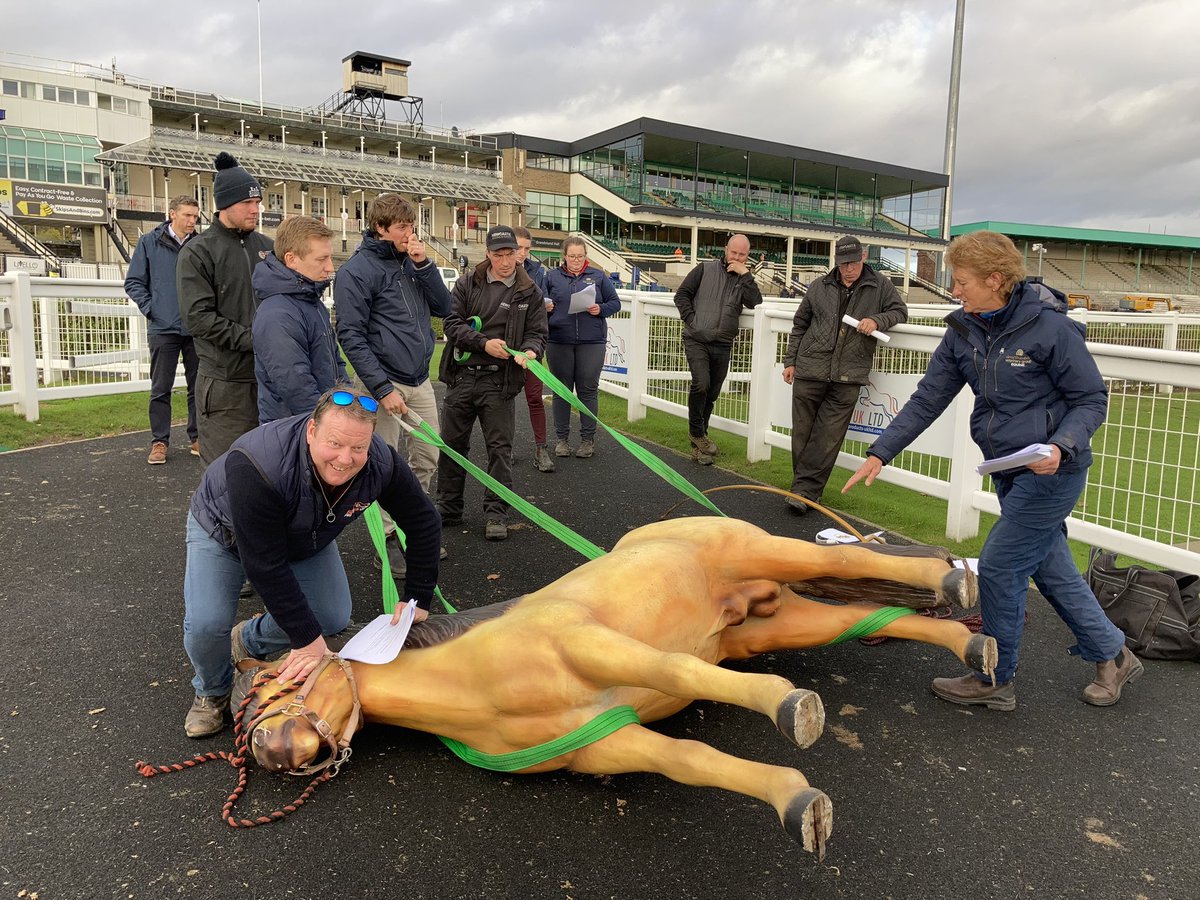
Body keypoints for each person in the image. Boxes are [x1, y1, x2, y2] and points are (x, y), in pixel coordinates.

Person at [843, 230, 1138, 711]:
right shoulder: (964, 328)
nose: (954, 291)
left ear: (995, 280)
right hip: (1007, 470)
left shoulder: (1051, 328)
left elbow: (1090, 399)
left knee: (1000, 567)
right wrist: (881, 451)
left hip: (1053, 473)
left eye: (961, 282)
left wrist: (1062, 446)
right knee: (1052, 569)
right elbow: (928, 398)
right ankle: (1113, 654)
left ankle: (993, 679)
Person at [181, 387, 441, 737]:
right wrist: (305, 639)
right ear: (311, 431)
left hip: (306, 534)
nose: (345, 459)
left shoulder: (381, 462)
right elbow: (264, 565)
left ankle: (248, 640)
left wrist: (417, 599)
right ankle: (211, 690)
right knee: (207, 625)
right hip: (222, 532)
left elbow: (424, 521)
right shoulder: (258, 461)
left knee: (331, 616)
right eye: (335, 444)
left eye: (358, 448)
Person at [334, 194, 453, 572]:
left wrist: (424, 265)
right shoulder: (356, 271)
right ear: (381, 228)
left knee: (429, 452)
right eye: (403, 227)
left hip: (419, 380)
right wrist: (382, 388)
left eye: (412, 226)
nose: (410, 234)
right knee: (381, 463)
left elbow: (445, 308)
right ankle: (387, 537)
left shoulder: (411, 263)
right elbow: (350, 334)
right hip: (380, 382)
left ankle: (412, 521)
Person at [436, 225, 548, 541]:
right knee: (453, 446)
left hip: (500, 382)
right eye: (498, 254)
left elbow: (538, 333)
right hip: (462, 376)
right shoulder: (467, 284)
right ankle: (449, 508)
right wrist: (483, 343)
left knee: (500, 449)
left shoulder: (530, 291)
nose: (504, 261)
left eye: (510, 253)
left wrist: (530, 351)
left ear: (518, 253)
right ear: (487, 254)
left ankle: (496, 512)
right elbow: (452, 324)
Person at [782, 236, 907, 513]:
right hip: (809, 369)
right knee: (802, 434)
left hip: (849, 374)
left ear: (864, 256)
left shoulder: (881, 286)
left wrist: (877, 320)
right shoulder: (818, 286)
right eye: (842, 263)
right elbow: (800, 324)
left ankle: (803, 493)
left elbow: (900, 311)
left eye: (852, 262)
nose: (847, 269)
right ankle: (805, 492)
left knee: (827, 438)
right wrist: (790, 361)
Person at [177, 152, 273, 465]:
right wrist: (254, 339)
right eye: (248, 203)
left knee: (272, 472)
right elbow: (199, 319)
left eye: (257, 202)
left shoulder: (269, 248)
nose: (255, 209)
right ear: (225, 204)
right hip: (225, 385)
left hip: (271, 378)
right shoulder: (198, 252)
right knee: (225, 476)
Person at [673, 233, 763, 465]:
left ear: (747, 256)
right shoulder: (704, 269)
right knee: (700, 384)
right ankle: (697, 433)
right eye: (734, 252)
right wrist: (692, 320)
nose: (737, 257)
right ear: (726, 249)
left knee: (711, 393)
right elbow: (681, 295)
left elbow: (755, 302)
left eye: (742, 254)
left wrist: (746, 275)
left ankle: (699, 445)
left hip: (723, 342)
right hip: (697, 339)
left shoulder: (744, 279)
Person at [125, 195, 200, 465]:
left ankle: (197, 436)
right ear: (172, 215)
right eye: (188, 215)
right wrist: (152, 309)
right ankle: (159, 441)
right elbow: (133, 282)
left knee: (198, 386)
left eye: (195, 216)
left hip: (196, 328)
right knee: (160, 388)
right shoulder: (149, 242)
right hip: (162, 328)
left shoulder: (200, 245)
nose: (192, 221)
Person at [251, 216, 344, 423]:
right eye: (321, 259)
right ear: (291, 259)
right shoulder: (277, 313)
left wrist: (346, 401)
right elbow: (295, 385)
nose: (330, 267)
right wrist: (330, 423)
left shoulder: (311, 302)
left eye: (330, 258)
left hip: (318, 422)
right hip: (294, 429)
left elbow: (335, 362)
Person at [543, 235, 622, 460]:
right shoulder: (551, 277)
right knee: (561, 390)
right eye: (571, 256)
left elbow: (615, 303)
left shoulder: (598, 277)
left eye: (580, 256)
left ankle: (587, 440)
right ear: (564, 256)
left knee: (587, 390)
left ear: (585, 256)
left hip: (592, 341)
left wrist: (601, 308)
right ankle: (562, 440)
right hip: (559, 340)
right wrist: (546, 307)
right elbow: (540, 300)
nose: (576, 260)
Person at [513, 226, 555, 473]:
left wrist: (547, 306)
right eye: (519, 247)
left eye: (527, 249)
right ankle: (503, 449)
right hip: (506, 346)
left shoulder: (538, 273)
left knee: (534, 397)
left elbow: (542, 302)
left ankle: (541, 449)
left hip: (532, 345)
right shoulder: (498, 269)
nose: (523, 253)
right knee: (502, 400)